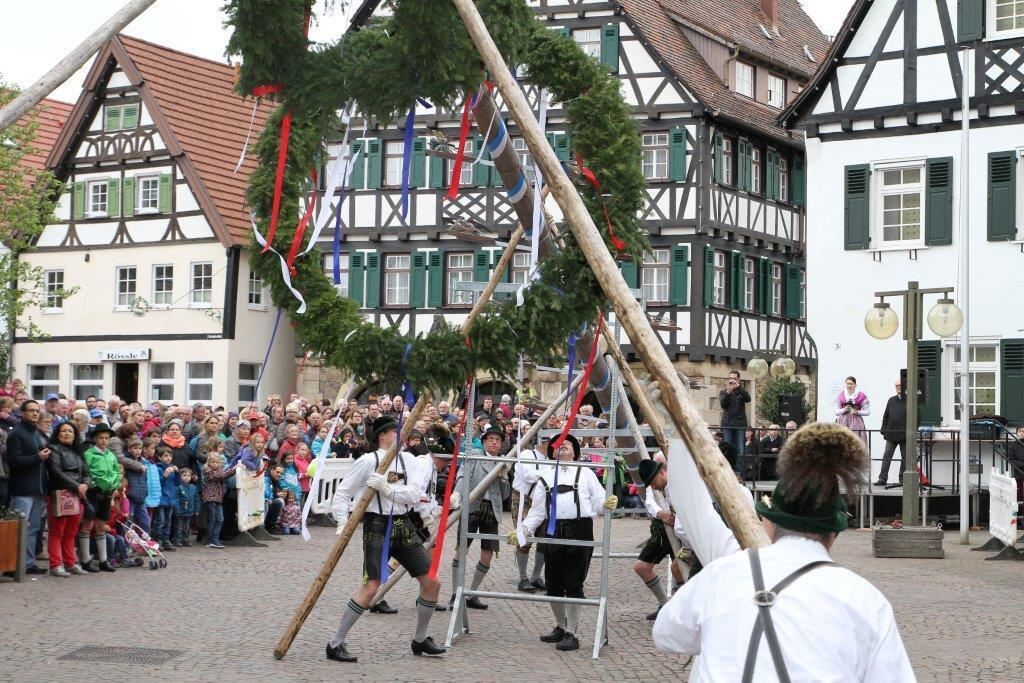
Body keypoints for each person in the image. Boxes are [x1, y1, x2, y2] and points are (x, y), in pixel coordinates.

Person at [653, 423, 914, 680]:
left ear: (769, 522)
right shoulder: (865, 600)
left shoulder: (724, 572)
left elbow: (666, 635)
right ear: (834, 533)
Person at [327, 416, 445, 662]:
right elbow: (343, 493)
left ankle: (420, 639)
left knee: (432, 582)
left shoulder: (410, 460)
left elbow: (414, 494)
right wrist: (341, 521)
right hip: (377, 526)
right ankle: (335, 643)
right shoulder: (368, 461)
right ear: (382, 435)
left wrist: (388, 488)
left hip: (403, 525)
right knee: (371, 586)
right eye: (396, 432)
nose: (401, 436)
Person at [510, 434, 617, 652]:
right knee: (554, 583)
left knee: (574, 583)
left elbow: (598, 502)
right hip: (553, 531)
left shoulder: (586, 473)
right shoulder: (545, 477)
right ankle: (561, 625)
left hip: (580, 530)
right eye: (558, 445)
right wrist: (523, 529)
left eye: (568, 443)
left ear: (576, 452)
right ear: (551, 452)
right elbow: (537, 511)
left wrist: (607, 503)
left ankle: (573, 633)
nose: (563, 445)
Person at [449, 425, 510, 610]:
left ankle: (473, 593)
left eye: (497, 440)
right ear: (484, 441)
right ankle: (455, 594)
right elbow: (462, 477)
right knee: (462, 550)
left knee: (487, 554)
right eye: (490, 439)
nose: (494, 442)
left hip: (492, 510)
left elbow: (505, 495)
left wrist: (505, 477)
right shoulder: (475, 455)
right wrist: (457, 494)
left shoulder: (502, 462)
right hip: (472, 506)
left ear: (501, 445)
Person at [635, 454, 683, 620]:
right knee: (642, 567)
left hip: (682, 532)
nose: (654, 486)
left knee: (678, 567)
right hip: (661, 530)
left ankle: (680, 608)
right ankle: (665, 604)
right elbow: (649, 502)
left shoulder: (679, 481)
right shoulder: (652, 479)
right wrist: (661, 514)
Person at [7, 400, 51, 574]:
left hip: (37, 489)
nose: (35, 413)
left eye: (37, 410)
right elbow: (14, 461)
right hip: (22, 489)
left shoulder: (34, 433)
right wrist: (38, 457)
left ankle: (29, 563)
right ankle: (14, 565)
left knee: (33, 528)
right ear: (22, 413)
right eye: (31, 410)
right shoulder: (16, 434)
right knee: (20, 528)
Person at [45, 421, 90, 576]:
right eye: (63, 431)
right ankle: (56, 565)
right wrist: (77, 486)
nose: (66, 433)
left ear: (75, 435)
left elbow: (87, 473)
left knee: (71, 531)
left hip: (77, 494)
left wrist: (85, 485)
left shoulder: (78, 452)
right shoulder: (54, 449)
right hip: (60, 493)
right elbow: (55, 472)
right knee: (57, 532)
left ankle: (70, 563)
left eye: (70, 431)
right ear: (58, 434)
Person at [510, 427, 546, 593]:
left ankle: (535, 577)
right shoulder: (526, 455)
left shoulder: (551, 458)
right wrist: (549, 472)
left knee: (544, 540)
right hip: (523, 500)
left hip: (543, 500)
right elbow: (530, 476)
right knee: (524, 539)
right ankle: (522, 578)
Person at [81, 424, 121, 572]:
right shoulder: (89, 454)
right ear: (95, 439)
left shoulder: (111, 455)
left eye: (106, 438)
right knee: (88, 525)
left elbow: (117, 471)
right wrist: (93, 483)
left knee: (100, 526)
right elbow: (86, 471)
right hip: (93, 492)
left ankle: (104, 560)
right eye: (101, 438)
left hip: (107, 493)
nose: (104, 441)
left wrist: (115, 483)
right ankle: (85, 559)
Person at [201, 451, 238, 549]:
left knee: (220, 519)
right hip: (210, 498)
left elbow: (225, 474)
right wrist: (235, 468)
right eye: (213, 462)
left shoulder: (220, 470)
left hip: (218, 498)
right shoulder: (207, 470)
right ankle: (211, 540)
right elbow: (222, 474)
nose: (215, 464)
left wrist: (234, 469)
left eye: (217, 462)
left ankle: (215, 538)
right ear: (209, 462)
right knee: (212, 519)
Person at [877, 379, 907, 487]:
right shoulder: (891, 400)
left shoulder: (911, 400)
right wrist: (884, 430)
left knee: (905, 457)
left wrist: (911, 432)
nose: (898, 387)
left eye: (900, 385)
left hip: (905, 435)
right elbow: (886, 416)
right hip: (891, 434)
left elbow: (917, 418)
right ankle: (882, 479)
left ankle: (903, 480)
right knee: (887, 456)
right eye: (896, 386)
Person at [718, 371, 750, 461]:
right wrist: (728, 392)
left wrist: (739, 388)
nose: (732, 380)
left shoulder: (741, 391)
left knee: (740, 449)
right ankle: (728, 471)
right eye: (731, 378)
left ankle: (739, 472)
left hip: (740, 424)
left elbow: (748, 399)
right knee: (727, 448)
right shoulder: (724, 392)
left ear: (739, 379)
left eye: (734, 378)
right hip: (727, 424)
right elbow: (723, 405)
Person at [153, 446, 180, 552]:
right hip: (161, 498)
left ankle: (166, 540)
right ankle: (158, 540)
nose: (168, 458)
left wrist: (177, 473)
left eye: (170, 455)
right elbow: (158, 483)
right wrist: (165, 475)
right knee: (160, 521)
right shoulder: (158, 468)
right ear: (160, 457)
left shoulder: (172, 467)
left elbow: (177, 483)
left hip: (170, 499)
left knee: (168, 521)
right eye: (165, 456)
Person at [835, 376, 870, 447]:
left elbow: (867, 412)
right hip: (843, 420)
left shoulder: (861, 396)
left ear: (855, 385)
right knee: (843, 442)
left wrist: (858, 412)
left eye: (851, 384)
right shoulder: (840, 396)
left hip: (856, 420)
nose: (849, 385)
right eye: (847, 384)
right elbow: (836, 412)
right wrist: (844, 410)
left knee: (856, 441)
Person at [173, 468, 200, 547]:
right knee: (179, 526)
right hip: (180, 511)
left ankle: (185, 539)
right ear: (180, 476)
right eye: (184, 475)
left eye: (188, 475)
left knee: (186, 527)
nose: (186, 477)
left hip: (189, 511)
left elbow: (196, 499)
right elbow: (176, 499)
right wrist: (177, 510)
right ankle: (177, 540)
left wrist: (197, 509)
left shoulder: (193, 487)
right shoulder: (178, 487)